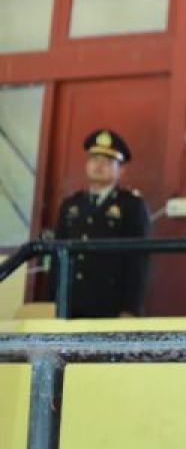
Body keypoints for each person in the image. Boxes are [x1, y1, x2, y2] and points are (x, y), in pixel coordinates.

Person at [51, 128, 151, 318]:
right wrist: (51, 301)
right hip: (69, 303)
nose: (99, 165)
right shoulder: (71, 205)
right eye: (94, 159)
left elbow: (138, 261)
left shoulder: (131, 205)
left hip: (110, 305)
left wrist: (131, 308)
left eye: (107, 161)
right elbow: (57, 257)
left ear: (121, 170)